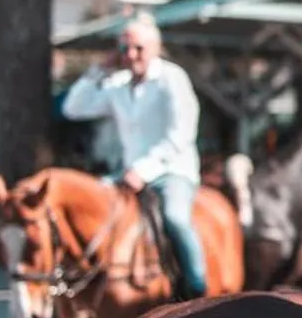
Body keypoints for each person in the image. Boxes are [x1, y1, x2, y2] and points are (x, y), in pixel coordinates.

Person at [60, 17, 208, 299]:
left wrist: (143, 170)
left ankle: (196, 285)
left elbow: (181, 135)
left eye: (138, 48)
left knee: (175, 217)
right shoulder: (117, 84)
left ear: (155, 48)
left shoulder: (172, 78)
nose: (131, 55)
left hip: (171, 171)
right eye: (125, 48)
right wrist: (97, 70)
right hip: (128, 173)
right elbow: (72, 108)